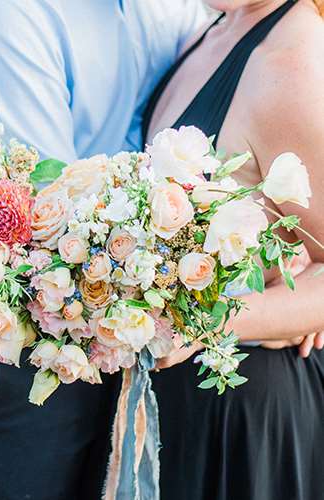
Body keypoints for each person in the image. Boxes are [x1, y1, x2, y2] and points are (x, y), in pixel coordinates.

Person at [0, 1, 206, 499]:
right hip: (9, 336)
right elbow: (49, 220)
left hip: (102, 318)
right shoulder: (4, 16)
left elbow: (229, 58)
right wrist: (268, 306)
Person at [141, 1, 324, 499]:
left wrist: (214, 321)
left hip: (242, 413)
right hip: (181, 400)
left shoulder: (291, 64)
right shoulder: (223, 24)